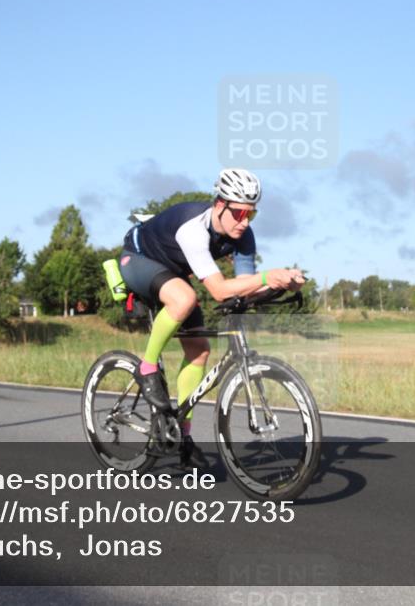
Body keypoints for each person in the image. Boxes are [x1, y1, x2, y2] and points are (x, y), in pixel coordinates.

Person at [118, 168, 305, 468]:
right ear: (220, 205)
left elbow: (243, 289)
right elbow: (219, 291)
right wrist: (268, 275)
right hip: (138, 259)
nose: (244, 222)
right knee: (185, 298)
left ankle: (182, 435)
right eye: (240, 213)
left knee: (200, 350)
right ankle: (147, 366)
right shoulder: (194, 228)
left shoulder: (243, 237)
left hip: (173, 272)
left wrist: (281, 284)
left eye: (251, 215)